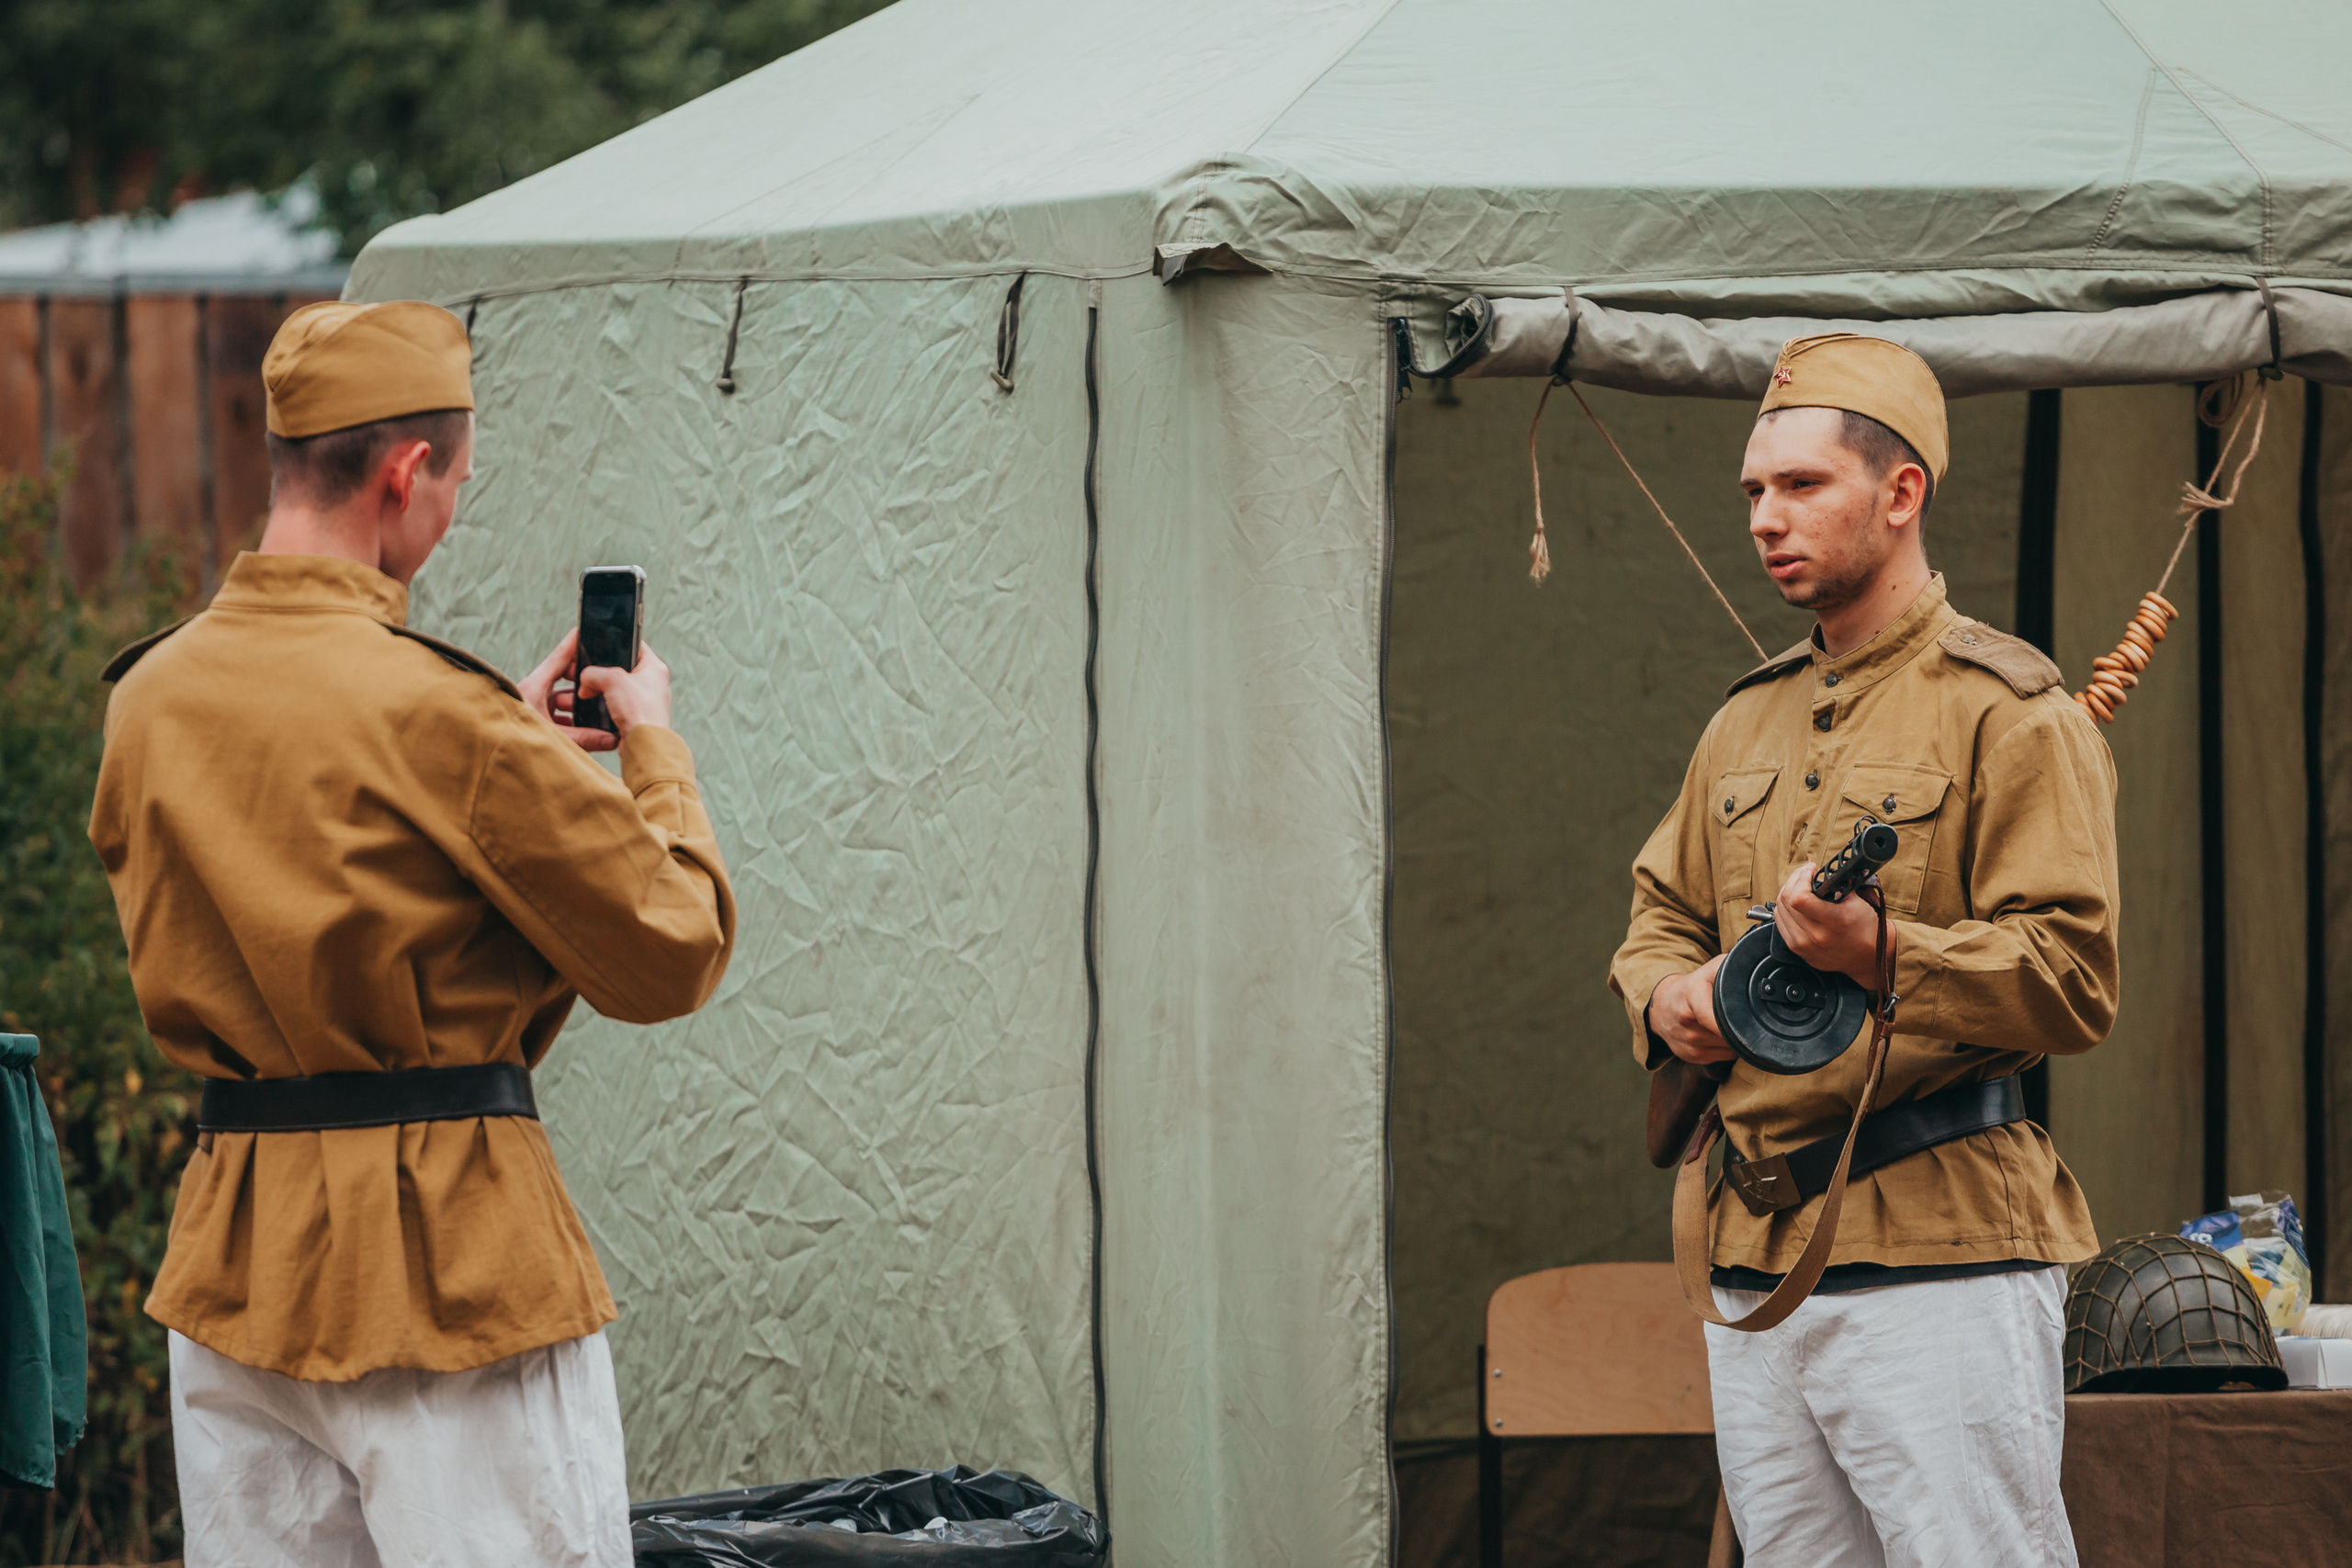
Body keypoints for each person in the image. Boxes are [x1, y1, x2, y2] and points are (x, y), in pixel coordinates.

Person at [89, 299, 737, 1568]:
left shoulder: (146, 700)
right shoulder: (445, 720)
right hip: (453, 1274)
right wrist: (648, 743)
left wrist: (517, 762)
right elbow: (674, 942)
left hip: (237, 1272)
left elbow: (313, 881)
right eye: (455, 485)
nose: (448, 514)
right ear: (405, 474)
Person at [1609, 333, 2120, 1567]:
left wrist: (1881, 952)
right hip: (1752, 1259)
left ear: (1902, 495)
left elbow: (2074, 981)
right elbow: (1656, 915)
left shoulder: (2013, 710)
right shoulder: (1745, 717)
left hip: (1940, 1254)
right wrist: (1670, 1001)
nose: (1765, 520)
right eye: (1753, 493)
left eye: (1802, 487)